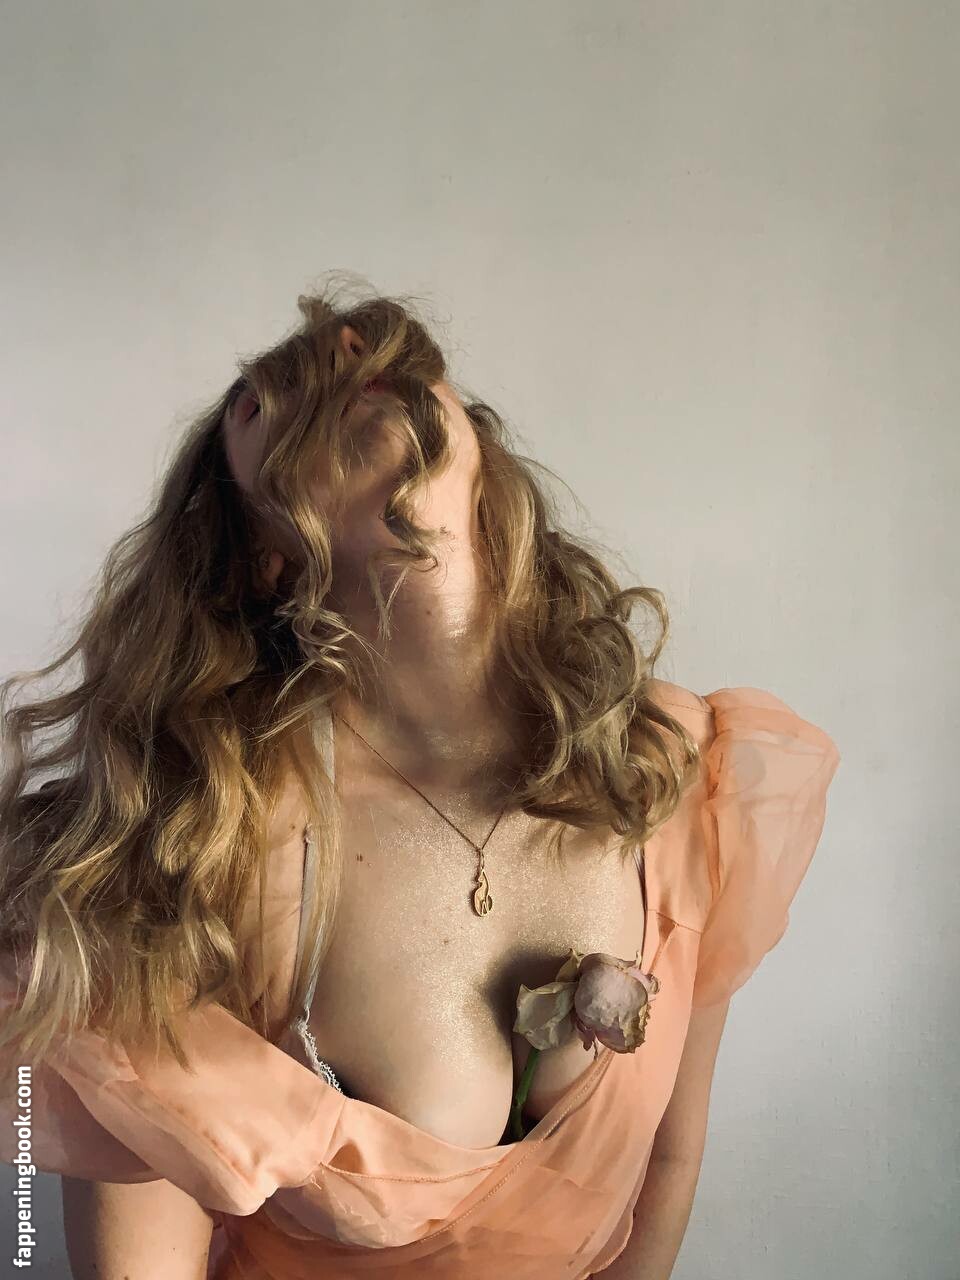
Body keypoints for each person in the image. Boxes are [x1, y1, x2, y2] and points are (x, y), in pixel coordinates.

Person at [0, 286, 840, 1279]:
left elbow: (668, 1159)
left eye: (362, 352)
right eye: (270, 394)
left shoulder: (674, 765)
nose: (340, 352)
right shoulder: (205, 834)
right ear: (265, 558)